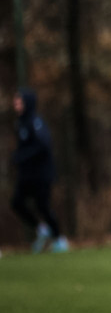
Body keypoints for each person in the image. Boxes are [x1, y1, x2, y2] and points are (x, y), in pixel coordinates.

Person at [11, 89, 68, 253]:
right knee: (16, 202)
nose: (15, 105)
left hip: (42, 174)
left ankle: (59, 239)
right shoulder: (19, 122)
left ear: (27, 103)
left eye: (18, 102)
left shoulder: (36, 121)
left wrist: (21, 156)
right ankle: (41, 229)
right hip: (27, 175)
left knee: (43, 206)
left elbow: (43, 145)